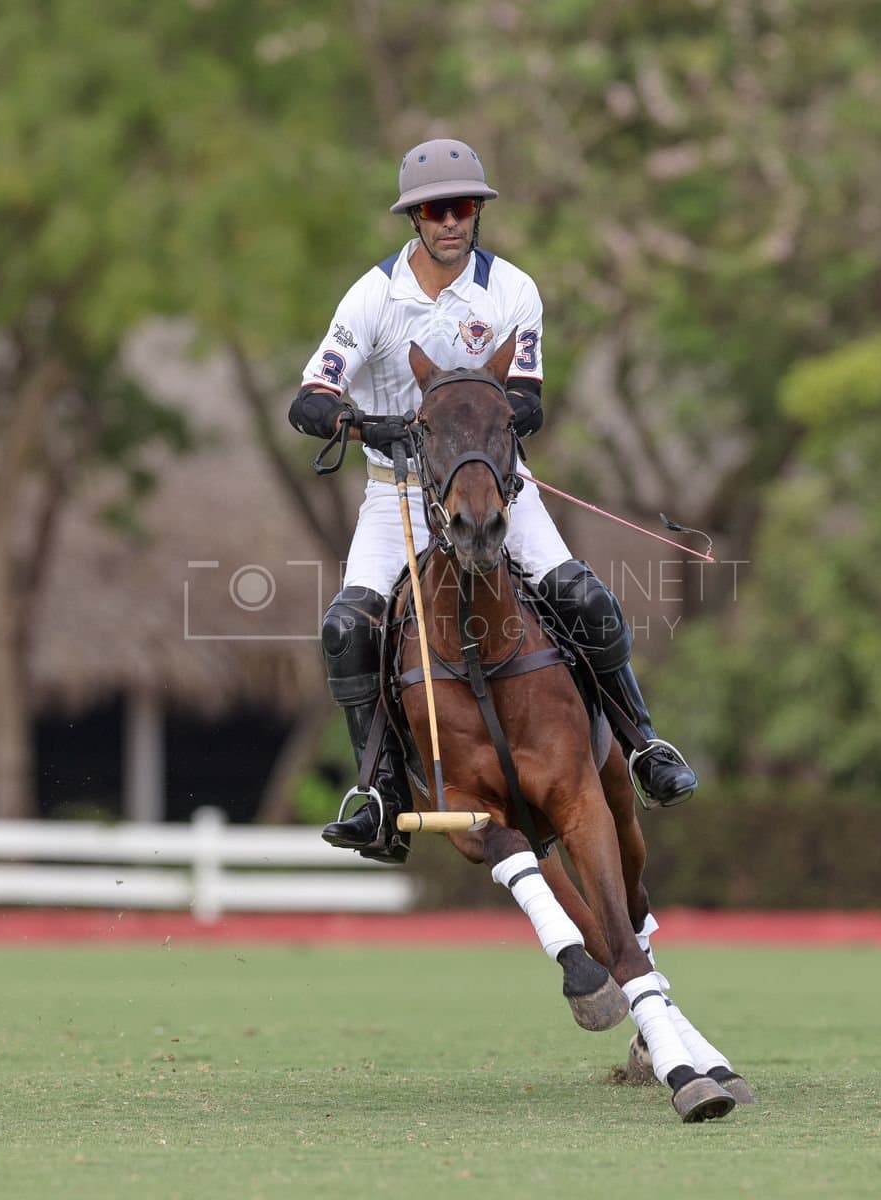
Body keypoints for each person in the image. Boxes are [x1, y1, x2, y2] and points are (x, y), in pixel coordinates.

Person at [289, 138, 697, 862]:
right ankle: (379, 791)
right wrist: (362, 422)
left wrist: (483, 423)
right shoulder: (373, 297)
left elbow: (528, 400)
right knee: (347, 628)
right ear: (414, 219)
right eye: (436, 209)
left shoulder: (512, 289)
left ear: (477, 212)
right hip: (400, 496)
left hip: (492, 484)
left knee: (589, 600)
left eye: (464, 207)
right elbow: (310, 397)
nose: (452, 221)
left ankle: (642, 746)